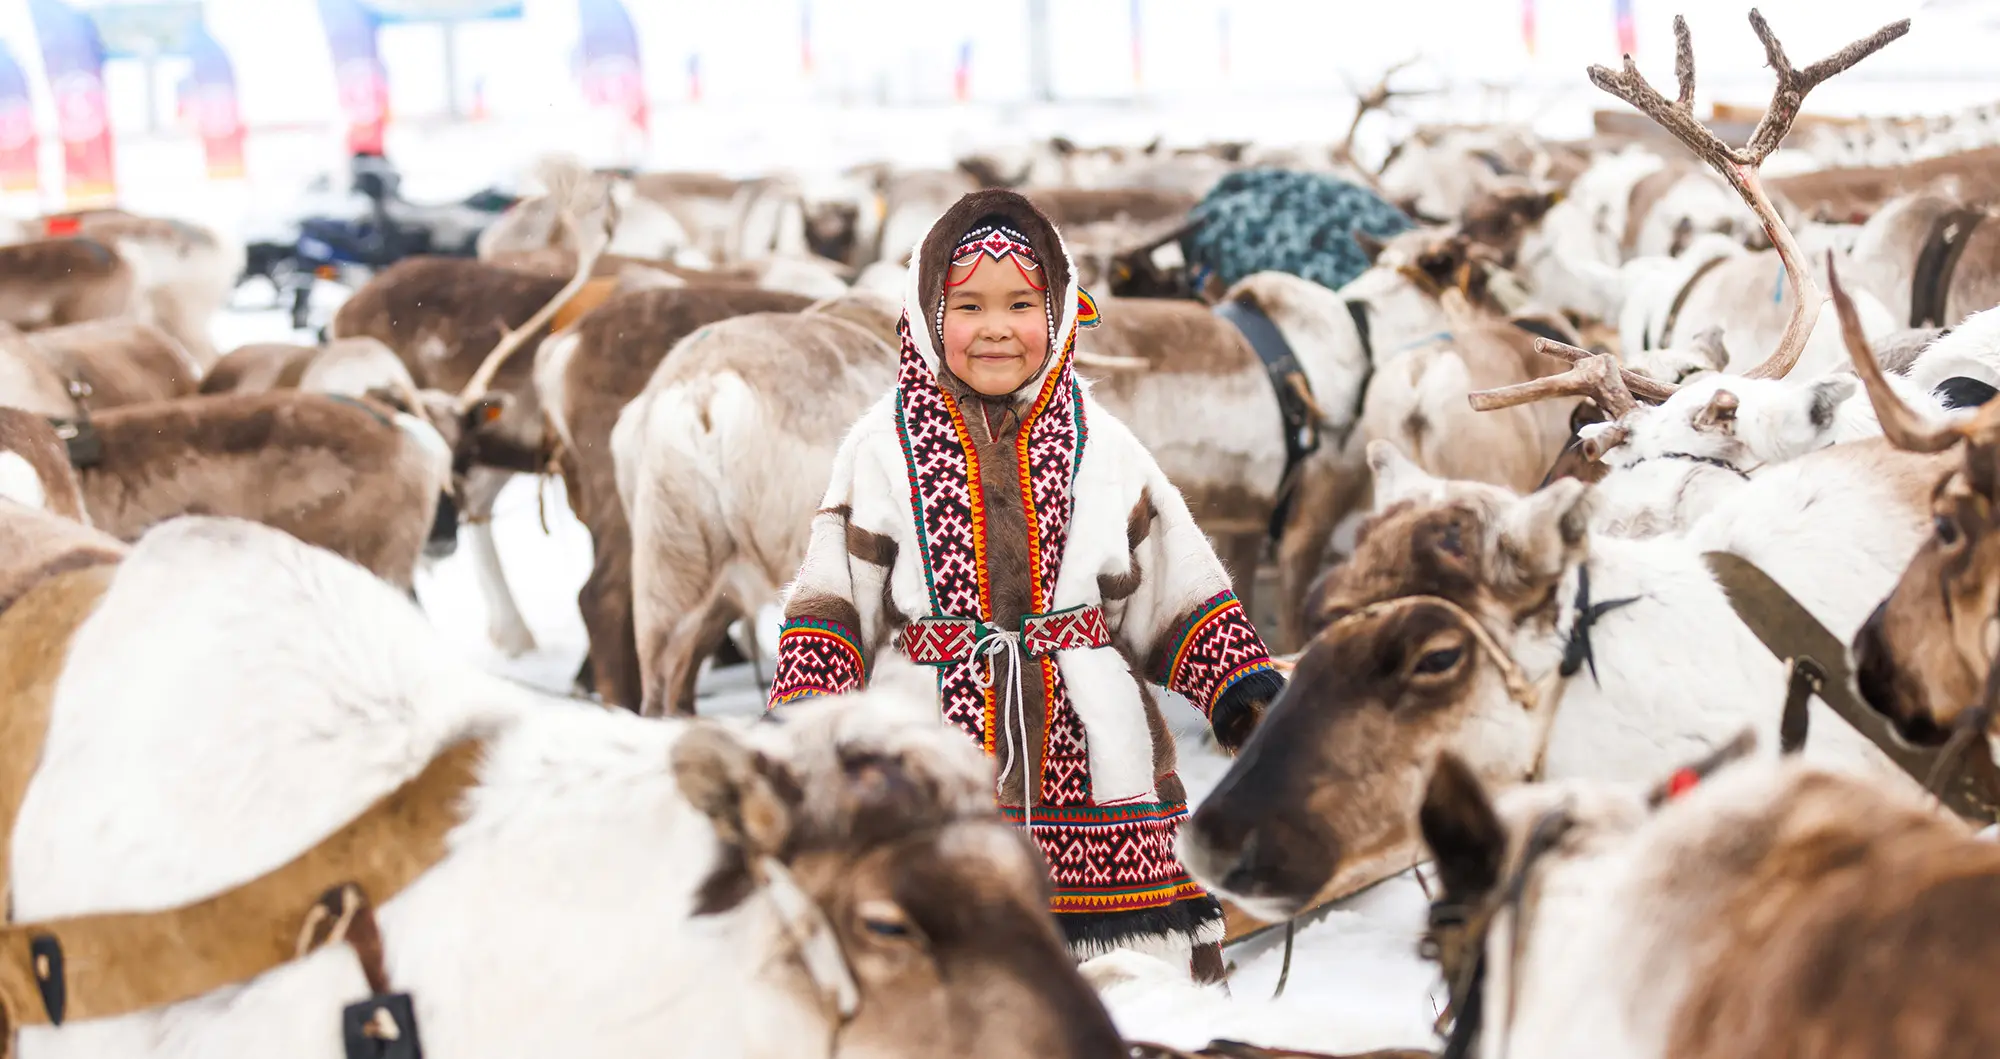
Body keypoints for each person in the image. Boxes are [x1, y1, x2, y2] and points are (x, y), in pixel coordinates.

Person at [768, 189, 1285, 980]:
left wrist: (1239, 689)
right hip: (930, 748)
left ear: (1060, 311)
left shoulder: (1100, 443)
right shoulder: (881, 446)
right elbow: (835, 594)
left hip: (1095, 745)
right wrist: (807, 718)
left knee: (1129, 979)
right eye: (968, 305)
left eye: (1021, 302)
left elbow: (1171, 580)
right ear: (926, 313)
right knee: (941, 967)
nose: (998, 327)